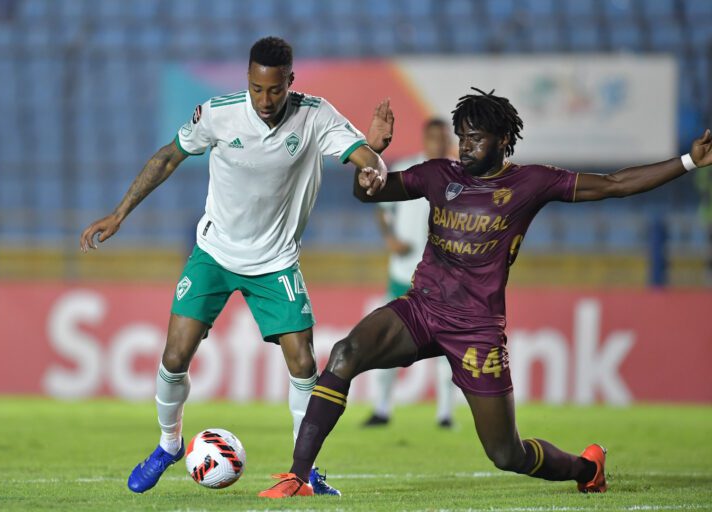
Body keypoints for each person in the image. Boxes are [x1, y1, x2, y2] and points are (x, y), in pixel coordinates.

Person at [259, 88, 712, 498]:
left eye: (475, 137)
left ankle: (585, 468)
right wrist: (372, 155)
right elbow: (370, 195)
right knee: (344, 353)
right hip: (421, 309)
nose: (465, 146)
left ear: (502, 141)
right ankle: (299, 477)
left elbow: (613, 185)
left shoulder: (530, 183)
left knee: (505, 454)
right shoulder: (439, 175)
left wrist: (687, 162)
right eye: (462, 136)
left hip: (476, 329)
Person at [79, 36, 393, 496]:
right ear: (247, 80)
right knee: (173, 355)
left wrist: (374, 165)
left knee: (304, 362)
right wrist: (119, 212)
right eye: (255, 88)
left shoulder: (315, 114)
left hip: (276, 261)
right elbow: (169, 155)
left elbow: (362, 154)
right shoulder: (219, 113)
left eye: (274, 90)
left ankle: (303, 472)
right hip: (215, 253)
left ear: (291, 81)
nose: (264, 100)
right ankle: (168, 445)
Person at [363, 118, 457, 429]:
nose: (438, 143)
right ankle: (382, 408)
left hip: (445, 279)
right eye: (434, 137)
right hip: (403, 274)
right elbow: (382, 209)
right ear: (425, 139)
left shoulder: (461, 176)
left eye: (444, 138)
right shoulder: (406, 169)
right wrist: (389, 238)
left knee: (447, 346)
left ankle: (445, 414)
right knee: (389, 340)